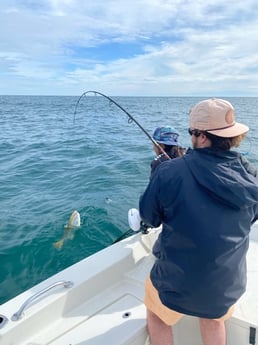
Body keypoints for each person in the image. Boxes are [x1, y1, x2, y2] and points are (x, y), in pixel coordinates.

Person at [139, 98, 258, 345]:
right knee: (214, 318)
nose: (191, 137)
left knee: (158, 316)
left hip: (175, 283)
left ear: (202, 137)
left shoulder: (168, 172)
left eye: (192, 132)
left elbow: (149, 217)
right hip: (225, 286)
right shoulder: (250, 175)